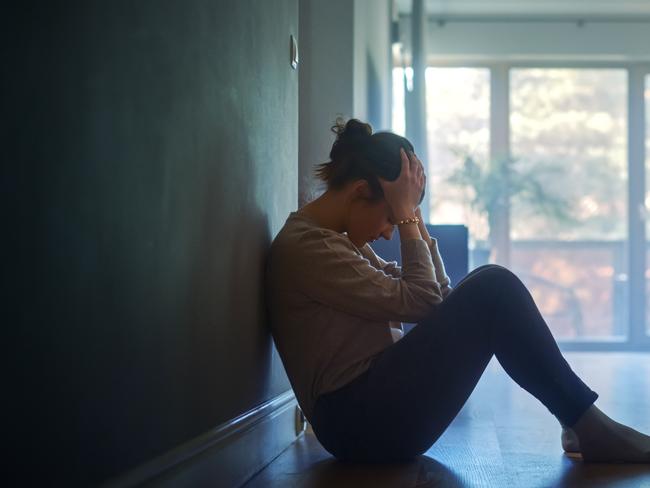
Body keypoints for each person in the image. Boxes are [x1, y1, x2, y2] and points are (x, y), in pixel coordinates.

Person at [265, 118, 650, 464]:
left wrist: (410, 215)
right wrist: (406, 218)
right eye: (389, 217)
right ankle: (587, 424)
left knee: (490, 284)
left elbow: (435, 299)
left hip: (369, 412)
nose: (388, 231)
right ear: (360, 191)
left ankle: (580, 421)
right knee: (494, 286)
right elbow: (424, 300)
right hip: (358, 424)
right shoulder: (309, 248)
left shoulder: (337, 243)